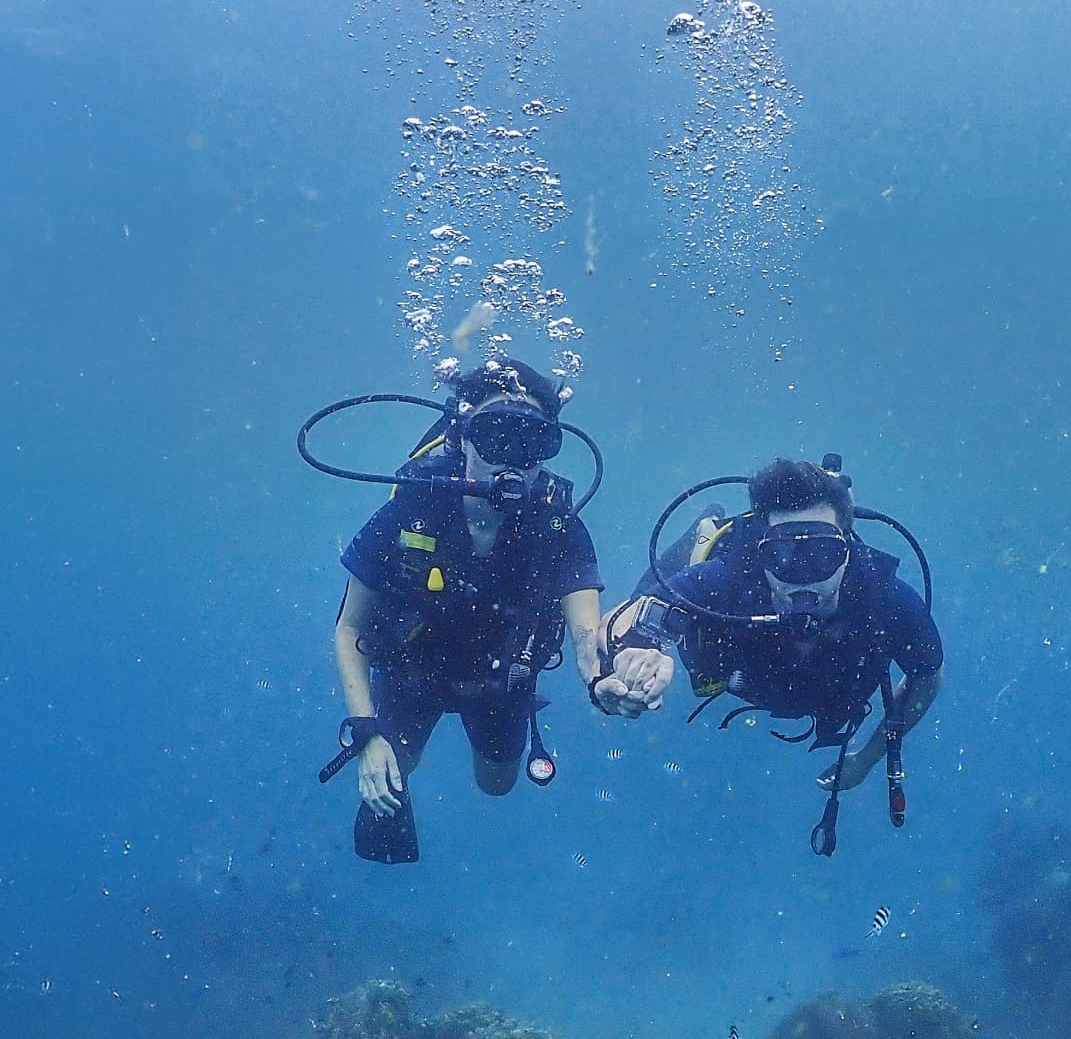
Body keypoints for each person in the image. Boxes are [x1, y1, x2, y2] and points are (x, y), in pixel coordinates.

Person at [333, 358, 649, 863]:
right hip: (412, 670)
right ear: (462, 439)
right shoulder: (408, 510)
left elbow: (586, 628)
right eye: (495, 437)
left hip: (500, 681)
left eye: (531, 445)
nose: (512, 461)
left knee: (497, 785)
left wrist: (598, 680)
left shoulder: (557, 527)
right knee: (395, 767)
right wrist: (366, 731)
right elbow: (349, 628)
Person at [599, 457, 944, 851]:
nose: (802, 575)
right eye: (781, 555)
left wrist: (867, 759)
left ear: (847, 551)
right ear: (760, 551)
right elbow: (642, 610)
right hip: (738, 673)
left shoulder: (885, 598)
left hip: (800, 687)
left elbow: (927, 676)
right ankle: (705, 533)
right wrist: (640, 650)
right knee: (651, 589)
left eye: (822, 555)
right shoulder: (728, 578)